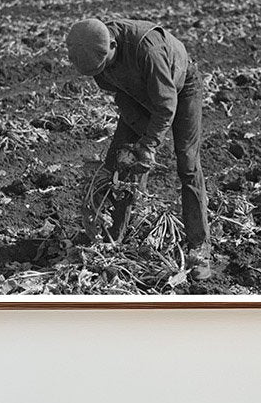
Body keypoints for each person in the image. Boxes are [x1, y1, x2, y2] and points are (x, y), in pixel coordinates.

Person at [66, 17, 212, 281]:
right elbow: (121, 94)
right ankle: (114, 236)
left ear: (113, 44)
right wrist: (131, 151)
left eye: (103, 66)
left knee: (188, 164)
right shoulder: (97, 57)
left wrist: (148, 145)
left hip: (180, 89)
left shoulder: (148, 49)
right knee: (121, 163)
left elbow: (165, 106)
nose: (101, 73)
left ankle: (199, 247)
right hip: (135, 94)